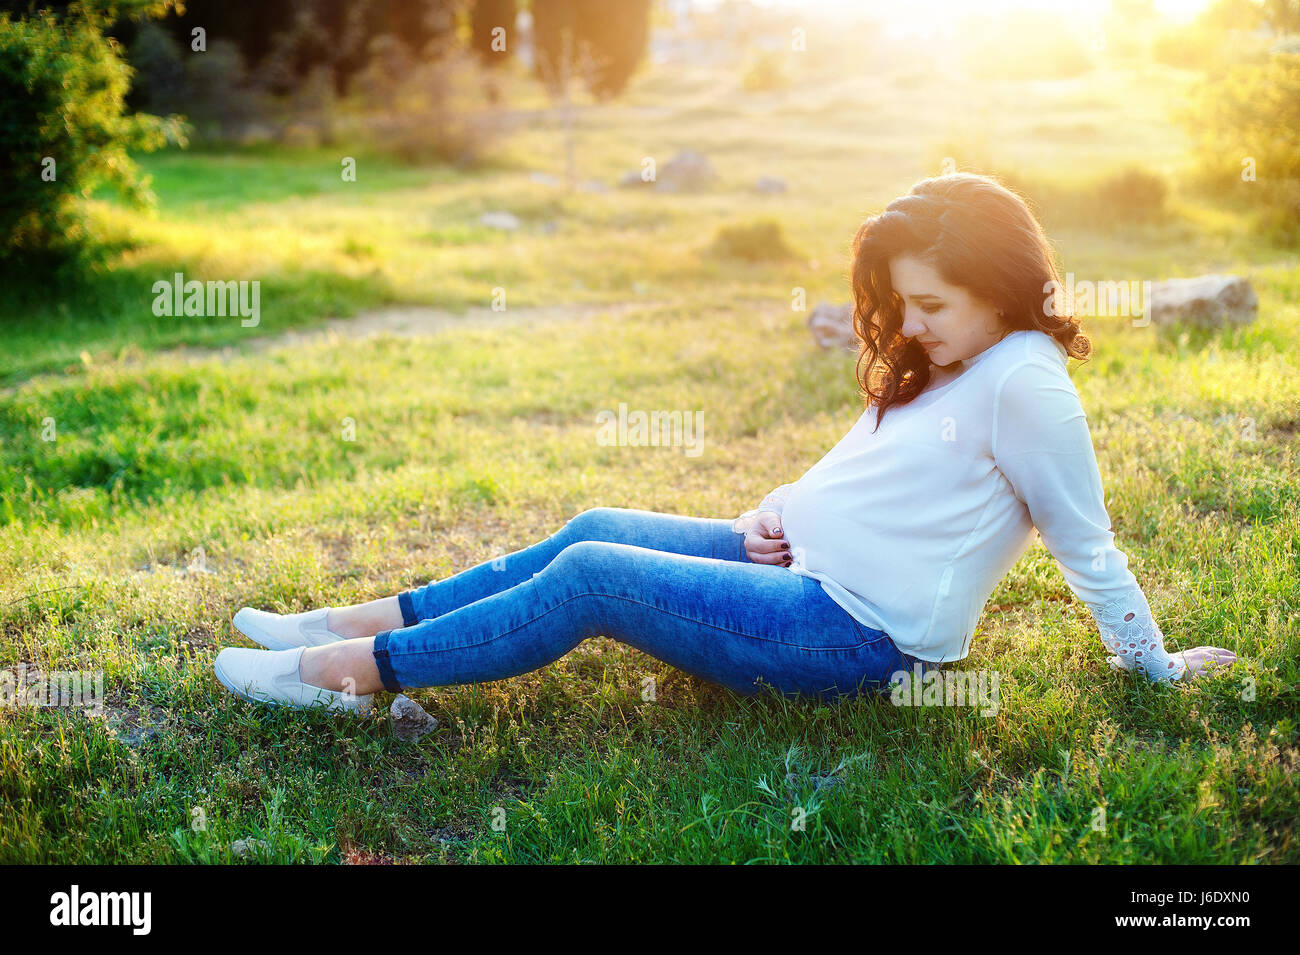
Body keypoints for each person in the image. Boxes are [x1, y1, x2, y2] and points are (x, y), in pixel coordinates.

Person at [213, 173, 1236, 714]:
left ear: (1001, 286)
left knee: (594, 576)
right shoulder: (963, 361)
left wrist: (1153, 668)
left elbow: (1085, 544)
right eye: (902, 302)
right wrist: (776, 510)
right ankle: (331, 622)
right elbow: (858, 466)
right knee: (597, 522)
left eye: (930, 302)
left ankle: (349, 677)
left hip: (855, 639)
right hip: (804, 571)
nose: (911, 325)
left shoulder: (1028, 386)